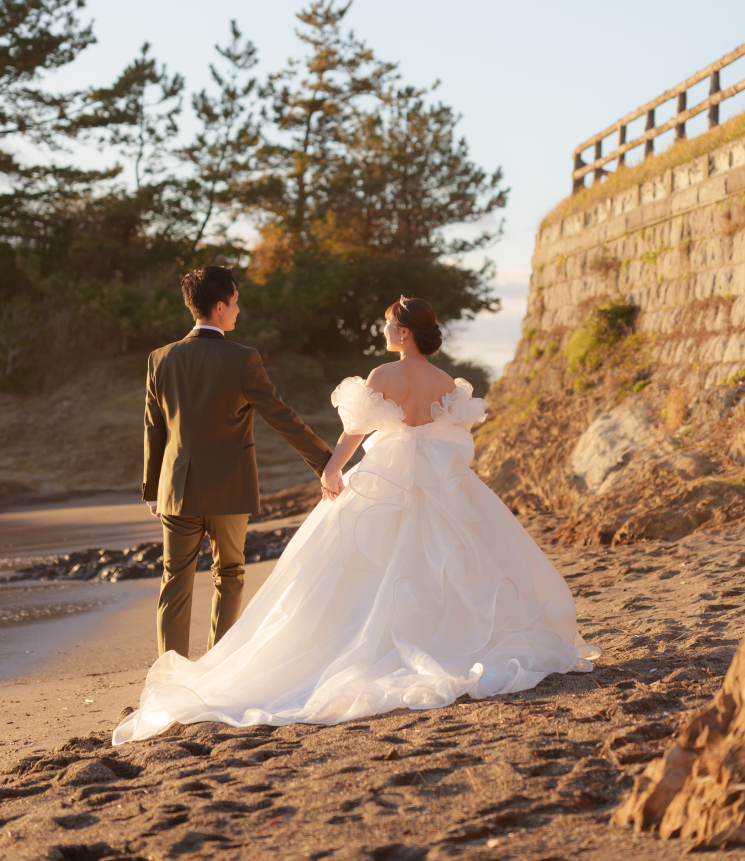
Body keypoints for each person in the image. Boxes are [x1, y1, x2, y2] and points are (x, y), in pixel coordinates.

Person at [115, 295, 599, 744]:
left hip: (384, 483)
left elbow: (352, 433)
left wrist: (330, 470)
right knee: (448, 565)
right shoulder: (446, 383)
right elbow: (454, 441)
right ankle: (449, 639)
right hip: (440, 486)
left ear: (404, 332)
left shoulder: (383, 374)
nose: (384, 327)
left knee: (349, 573)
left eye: (390, 322)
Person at [141, 264, 332, 660]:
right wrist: (325, 461)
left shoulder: (160, 359)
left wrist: (151, 489)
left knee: (174, 579)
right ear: (219, 306)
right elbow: (281, 416)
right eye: (236, 303)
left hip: (175, 488)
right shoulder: (243, 359)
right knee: (229, 574)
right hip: (229, 490)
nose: (239, 310)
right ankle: (216, 668)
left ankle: (167, 679)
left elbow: (153, 428)